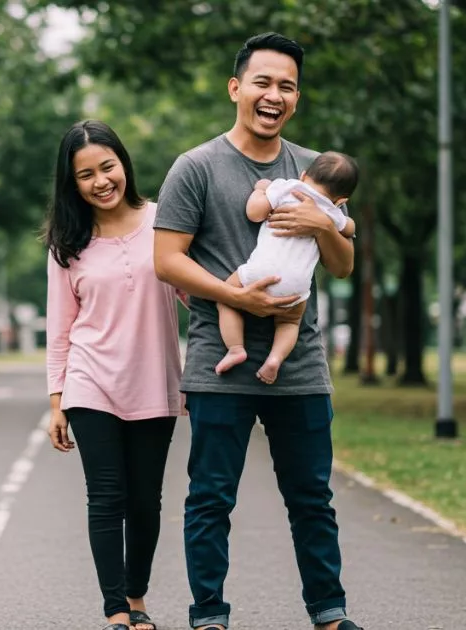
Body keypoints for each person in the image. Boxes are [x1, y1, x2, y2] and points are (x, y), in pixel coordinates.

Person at [152, 32, 365, 630]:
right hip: (221, 362)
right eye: (263, 83)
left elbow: (344, 266)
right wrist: (234, 295)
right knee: (211, 499)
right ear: (236, 88)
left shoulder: (317, 172)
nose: (274, 95)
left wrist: (321, 226)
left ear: (297, 96)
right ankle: (209, 615)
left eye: (287, 86)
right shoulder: (196, 167)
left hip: (301, 365)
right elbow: (168, 260)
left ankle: (329, 611)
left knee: (312, 500)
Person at [45, 119, 185, 630]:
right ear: (72, 183)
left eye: (107, 167)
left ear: (123, 163)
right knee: (107, 496)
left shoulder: (165, 221)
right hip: (90, 382)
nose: (100, 181)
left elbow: (191, 290)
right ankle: (115, 611)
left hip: (155, 380)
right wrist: (57, 400)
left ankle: (137, 597)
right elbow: (60, 328)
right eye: (85, 174)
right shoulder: (68, 243)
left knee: (146, 499)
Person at [215, 151, 360, 385]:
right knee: (289, 322)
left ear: (304, 176)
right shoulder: (332, 212)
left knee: (225, 297)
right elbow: (349, 228)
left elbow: (254, 213)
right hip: (297, 285)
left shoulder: (287, 187)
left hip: (262, 272)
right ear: (342, 200)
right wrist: (335, 223)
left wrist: (261, 191)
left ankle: (235, 348)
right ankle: (274, 360)